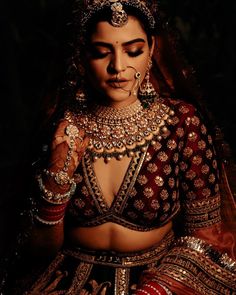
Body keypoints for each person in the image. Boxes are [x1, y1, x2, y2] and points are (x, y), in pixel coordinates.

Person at [4, 0, 236, 294]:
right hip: (65, 282)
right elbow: (37, 249)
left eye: (133, 51)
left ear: (151, 50)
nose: (118, 67)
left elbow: (207, 236)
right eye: (101, 53)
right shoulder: (62, 129)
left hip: (160, 281)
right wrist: (55, 183)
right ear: (82, 57)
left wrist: (157, 289)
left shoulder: (182, 124)